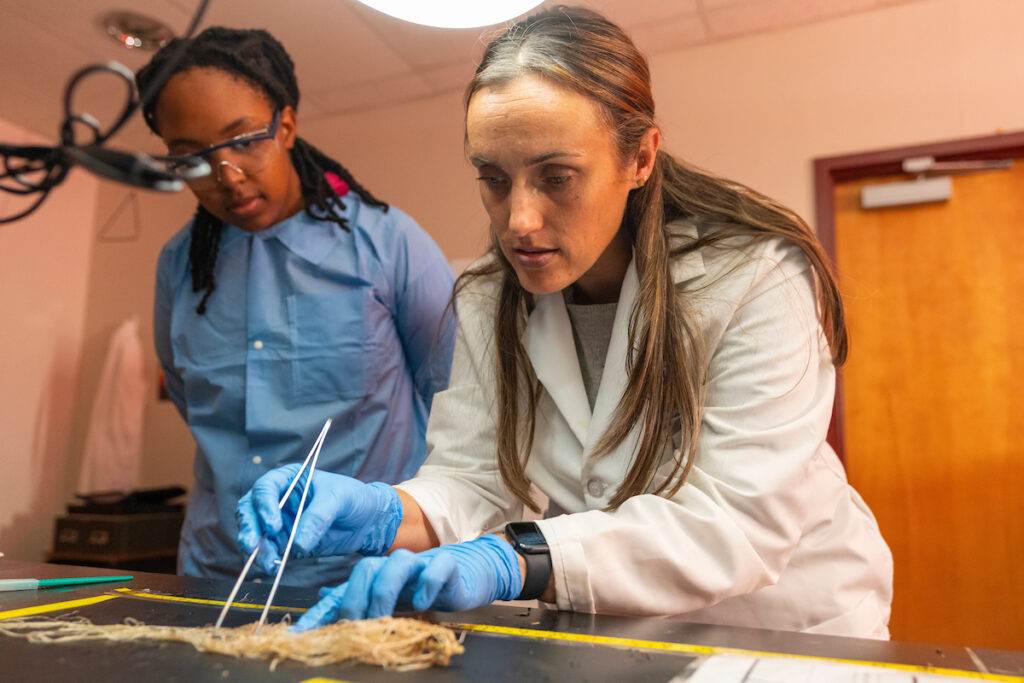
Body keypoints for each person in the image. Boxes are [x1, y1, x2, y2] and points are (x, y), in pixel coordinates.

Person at [238, 6, 893, 636]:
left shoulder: (752, 278)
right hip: (625, 630)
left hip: (790, 627)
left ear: (639, 159)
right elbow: (472, 479)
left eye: (557, 177)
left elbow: (733, 522)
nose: (518, 220)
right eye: (493, 178)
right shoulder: (491, 294)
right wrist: (384, 512)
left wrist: (514, 558)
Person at [137, 27, 456, 585]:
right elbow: (192, 401)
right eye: (191, 159)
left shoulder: (388, 243)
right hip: (217, 572)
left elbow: (460, 405)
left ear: (285, 125)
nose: (227, 177)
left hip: (363, 579)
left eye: (244, 141)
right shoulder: (179, 266)